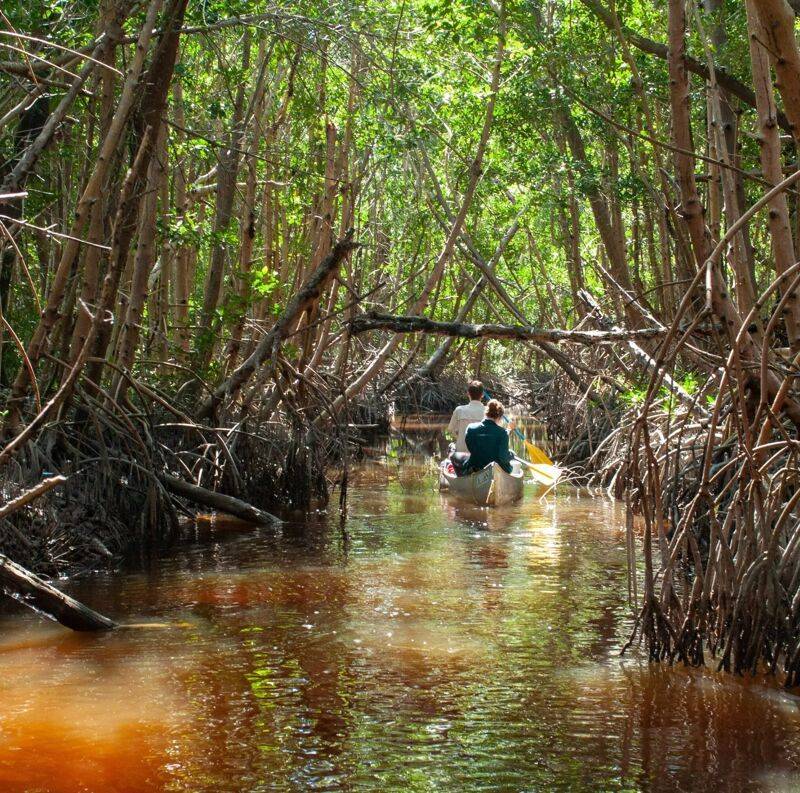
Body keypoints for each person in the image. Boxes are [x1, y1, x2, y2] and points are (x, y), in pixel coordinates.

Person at [464, 399, 515, 473]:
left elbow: (473, 447)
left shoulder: (470, 428)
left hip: (475, 468)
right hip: (495, 471)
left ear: (486, 413)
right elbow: (503, 457)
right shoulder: (502, 433)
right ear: (499, 417)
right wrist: (511, 455)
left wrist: (509, 430)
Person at [446, 380, 486, 453]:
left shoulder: (459, 410)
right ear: (482, 394)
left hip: (461, 453)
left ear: (468, 394)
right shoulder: (488, 412)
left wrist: (459, 436)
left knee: (451, 446)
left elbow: (450, 429)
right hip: (481, 453)